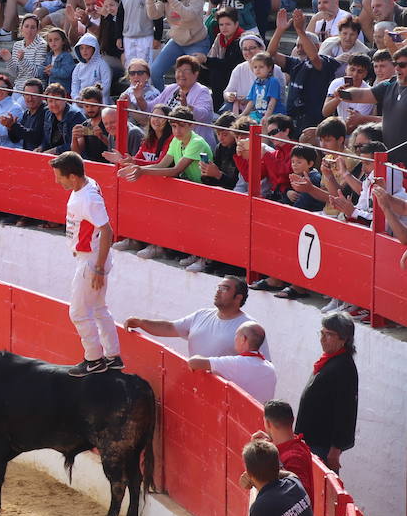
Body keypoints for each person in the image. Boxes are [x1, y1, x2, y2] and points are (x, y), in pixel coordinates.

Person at [51, 150, 121, 376]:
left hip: (91, 260)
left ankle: (93, 359)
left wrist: (98, 268)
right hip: (92, 255)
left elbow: (108, 231)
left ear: (72, 177)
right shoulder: (88, 184)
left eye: (59, 176)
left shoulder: (87, 198)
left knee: (79, 313)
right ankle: (113, 356)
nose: (57, 181)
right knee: (99, 308)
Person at [123, 276, 262, 357]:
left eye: (224, 289)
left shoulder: (249, 326)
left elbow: (258, 364)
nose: (218, 292)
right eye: (218, 287)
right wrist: (141, 322)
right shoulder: (202, 315)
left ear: (238, 298)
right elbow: (170, 327)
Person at [295, 311, 358, 471]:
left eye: (329, 334)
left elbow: (346, 411)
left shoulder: (343, 367)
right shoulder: (331, 360)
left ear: (344, 339)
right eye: (322, 333)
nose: (322, 338)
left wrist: (335, 450)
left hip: (322, 445)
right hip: (313, 441)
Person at [187, 321, 276, 402]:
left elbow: (193, 362)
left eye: (236, 335)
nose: (234, 339)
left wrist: (197, 356)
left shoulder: (235, 363)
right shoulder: (271, 368)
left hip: (239, 416)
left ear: (243, 339)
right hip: (261, 418)